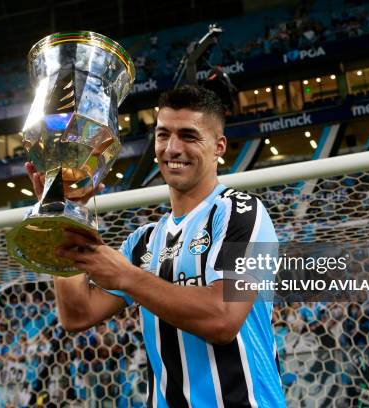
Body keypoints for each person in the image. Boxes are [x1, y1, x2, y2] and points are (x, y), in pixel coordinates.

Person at [26, 85, 285, 407]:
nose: (172, 148)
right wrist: (66, 216)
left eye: (189, 136)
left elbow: (223, 319)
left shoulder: (244, 213)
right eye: (163, 135)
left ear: (219, 147)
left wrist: (127, 278)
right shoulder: (142, 241)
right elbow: (77, 314)